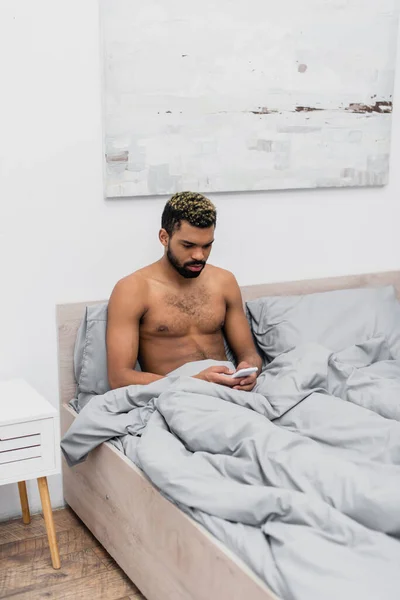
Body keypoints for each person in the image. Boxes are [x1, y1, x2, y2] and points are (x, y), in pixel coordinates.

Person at [106, 191, 262, 391]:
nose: (199, 255)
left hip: (229, 392)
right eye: (188, 245)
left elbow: (249, 353)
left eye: (207, 246)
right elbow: (119, 377)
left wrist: (249, 370)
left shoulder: (224, 282)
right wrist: (195, 382)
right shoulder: (133, 289)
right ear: (164, 237)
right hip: (175, 394)